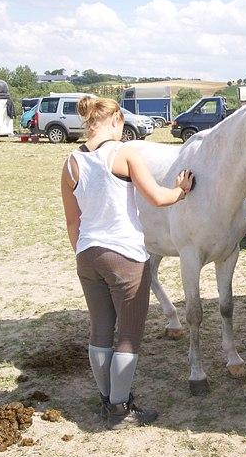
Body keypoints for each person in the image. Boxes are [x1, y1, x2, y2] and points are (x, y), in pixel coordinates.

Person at [60, 96, 194, 430]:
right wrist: (182, 189)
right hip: (125, 255)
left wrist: (83, 251)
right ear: (116, 120)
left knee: (100, 328)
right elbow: (158, 198)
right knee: (129, 335)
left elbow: (72, 223)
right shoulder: (125, 153)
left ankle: (107, 399)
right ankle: (120, 410)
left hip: (88, 255)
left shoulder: (70, 162)